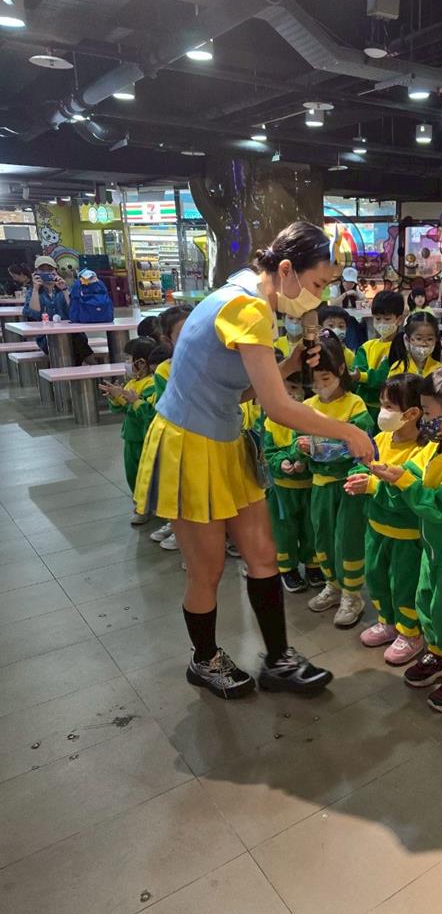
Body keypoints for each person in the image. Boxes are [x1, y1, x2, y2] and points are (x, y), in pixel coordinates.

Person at [132, 221, 374, 700]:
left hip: (224, 439)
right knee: (206, 570)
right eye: (318, 283)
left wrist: (287, 366)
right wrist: (349, 431)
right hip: (189, 444)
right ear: (286, 269)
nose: (319, 296)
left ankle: (278, 660)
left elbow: (238, 390)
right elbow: (279, 408)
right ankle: (204, 659)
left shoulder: (247, 294)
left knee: (263, 556)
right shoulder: (247, 306)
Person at [371, 366, 442, 712]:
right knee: (429, 605)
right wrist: (394, 474)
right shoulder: (438, 446)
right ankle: (438, 652)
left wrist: (404, 482)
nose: (423, 420)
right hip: (434, 550)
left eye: (428, 412)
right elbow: (415, 470)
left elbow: (440, 507)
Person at [346, 374, 433, 665]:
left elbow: (407, 494)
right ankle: (388, 621)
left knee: (403, 584)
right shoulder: (381, 438)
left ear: (413, 413)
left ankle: (410, 632)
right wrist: (357, 477)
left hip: (406, 535)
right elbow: (361, 465)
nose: (382, 412)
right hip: (376, 527)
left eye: (389, 406)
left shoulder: (423, 450)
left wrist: (372, 486)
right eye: (381, 404)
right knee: (377, 577)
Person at [297, 332, 374, 628]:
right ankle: (333, 585)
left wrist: (318, 447)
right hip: (320, 485)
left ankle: (352, 595)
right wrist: (298, 452)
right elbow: (297, 441)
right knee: (323, 537)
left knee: (348, 539)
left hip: (348, 486)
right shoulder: (307, 406)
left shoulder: (355, 405)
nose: (319, 386)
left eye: (325, 378)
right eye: (313, 381)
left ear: (341, 370)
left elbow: (358, 448)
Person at [262, 368, 323, 593]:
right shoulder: (271, 420)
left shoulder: (313, 417)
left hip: (310, 486)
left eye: (296, 388)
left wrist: (306, 460)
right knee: (284, 531)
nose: (291, 394)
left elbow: (321, 446)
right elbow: (268, 451)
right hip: (282, 490)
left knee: (311, 528)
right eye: (286, 388)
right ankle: (287, 568)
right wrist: (281, 463)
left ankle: (313, 565)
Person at [148, 304, 194, 551]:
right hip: (181, 437)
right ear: (168, 340)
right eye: (184, 333)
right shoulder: (165, 370)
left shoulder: (215, 361)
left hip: (214, 438)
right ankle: (180, 529)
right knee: (181, 488)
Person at [99, 338, 156, 526]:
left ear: (141, 362)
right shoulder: (131, 383)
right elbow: (120, 409)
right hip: (130, 437)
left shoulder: (151, 384)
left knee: (147, 475)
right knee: (132, 474)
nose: (126, 362)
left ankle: (148, 507)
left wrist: (126, 399)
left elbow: (145, 413)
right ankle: (140, 505)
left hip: (145, 437)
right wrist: (115, 397)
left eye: (128, 358)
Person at [23, 255, 94, 364]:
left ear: (56, 271)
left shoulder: (64, 288)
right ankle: (90, 364)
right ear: (36, 272)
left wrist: (64, 290)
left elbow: (74, 311)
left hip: (72, 333)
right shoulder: (32, 292)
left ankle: (77, 369)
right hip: (46, 337)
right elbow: (34, 314)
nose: (46, 273)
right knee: (75, 345)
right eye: (42, 270)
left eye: (50, 269)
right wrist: (36, 289)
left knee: (76, 340)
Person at [351, 290, 405, 414]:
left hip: (393, 409)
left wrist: (363, 377)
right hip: (365, 407)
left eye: (387, 319)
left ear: (399, 319)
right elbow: (357, 371)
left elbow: (388, 378)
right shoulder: (366, 347)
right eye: (377, 318)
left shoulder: (402, 347)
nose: (381, 323)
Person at [385, 311, 442, 378]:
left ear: (436, 339)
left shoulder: (439, 369)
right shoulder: (399, 368)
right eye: (419, 339)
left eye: (429, 339)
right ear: (407, 339)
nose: (424, 344)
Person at [318, 304, 355, 369]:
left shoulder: (349, 355)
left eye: (341, 326)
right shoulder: (317, 351)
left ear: (346, 329)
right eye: (331, 325)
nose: (336, 329)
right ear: (320, 328)